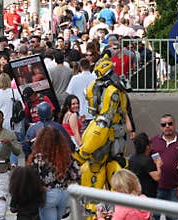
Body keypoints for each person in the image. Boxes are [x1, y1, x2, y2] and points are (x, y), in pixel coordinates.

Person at [73, 55, 135, 216]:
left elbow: (105, 122)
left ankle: (99, 209)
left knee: (98, 166)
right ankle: (98, 209)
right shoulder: (107, 88)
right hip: (109, 135)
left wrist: (81, 154)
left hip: (110, 137)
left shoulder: (112, 92)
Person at [27, 127, 80, 220]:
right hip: (64, 194)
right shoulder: (66, 156)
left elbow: (31, 179)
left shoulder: (38, 158)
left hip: (47, 194)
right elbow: (76, 174)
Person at [151, 114, 178, 220]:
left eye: (170, 123)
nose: (167, 126)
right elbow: (146, 163)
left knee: (173, 218)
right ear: (160, 127)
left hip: (175, 190)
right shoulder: (153, 141)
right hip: (156, 189)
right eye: (164, 124)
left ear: (175, 124)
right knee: (154, 217)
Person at [66, 58, 96, 132]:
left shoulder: (75, 79)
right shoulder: (95, 78)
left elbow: (69, 94)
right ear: (89, 66)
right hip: (93, 113)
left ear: (80, 67)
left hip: (80, 113)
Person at [128, 132, 162, 198]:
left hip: (135, 194)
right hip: (147, 196)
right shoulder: (147, 160)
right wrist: (158, 164)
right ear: (147, 147)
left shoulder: (132, 159)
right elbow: (157, 177)